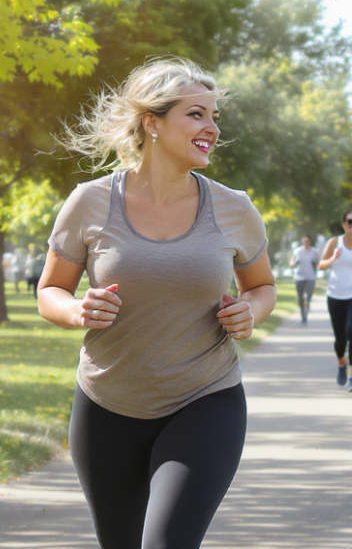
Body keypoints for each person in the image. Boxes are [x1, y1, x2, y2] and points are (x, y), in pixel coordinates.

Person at [39, 57, 275, 549]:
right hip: (108, 403)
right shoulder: (91, 201)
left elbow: (262, 286)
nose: (211, 128)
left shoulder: (234, 207)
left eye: (214, 117)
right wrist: (76, 310)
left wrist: (250, 310)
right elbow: (49, 292)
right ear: (152, 121)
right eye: (196, 114)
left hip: (205, 399)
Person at [319, 211, 352, 393]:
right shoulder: (334, 242)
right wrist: (333, 258)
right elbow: (321, 265)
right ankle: (342, 361)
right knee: (340, 339)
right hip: (335, 295)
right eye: (349, 221)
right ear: (343, 224)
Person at [289, 235, 319, 324]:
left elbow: (317, 264)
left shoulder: (314, 252)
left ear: (309, 241)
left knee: (308, 297)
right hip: (299, 277)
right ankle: (303, 316)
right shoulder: (298, 251)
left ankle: (307, 308)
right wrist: (293, 263)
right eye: (304, 240)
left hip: (310, 277)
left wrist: (315, 266)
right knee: (300, 297)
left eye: (307, 241)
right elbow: (292, 262)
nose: (305, 242)